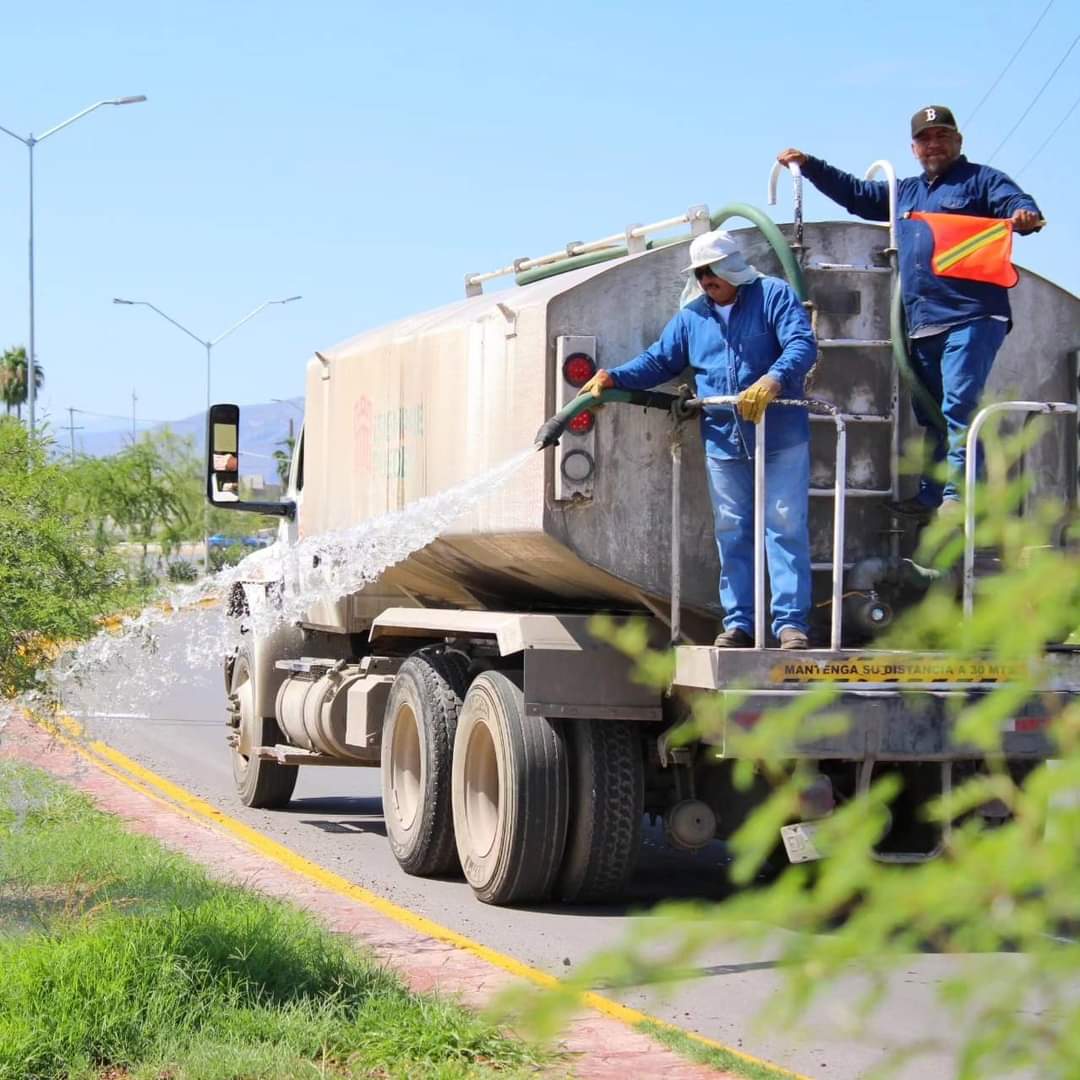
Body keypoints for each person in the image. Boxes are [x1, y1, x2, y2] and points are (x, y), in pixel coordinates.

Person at [777, 105, 1042, 521]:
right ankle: (933, 494)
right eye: (925, 139)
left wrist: (1024, 215)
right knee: (932, 412)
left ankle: (962, 494)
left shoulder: (981, 181)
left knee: (959, 405)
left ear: (958, 141)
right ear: (913, 148)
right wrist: (810, 166)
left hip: (971, 315)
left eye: (941, 136)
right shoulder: (907, 193)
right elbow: (857, 195)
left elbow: (1016, 202)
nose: (933, 144)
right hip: (922, 324)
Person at [579, 229, 817, 649]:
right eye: (701, 273)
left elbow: (802, 344)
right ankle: (740, 622)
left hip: (780, 435)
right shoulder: (693, 318)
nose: (707, 280)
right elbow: (659, 361)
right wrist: (613, 376)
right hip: (724, 439)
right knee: (732, 529)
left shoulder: (773, 296)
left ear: (733, 269)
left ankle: (790, 624)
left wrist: (774, 380)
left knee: (784, 526)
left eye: (713, 271)